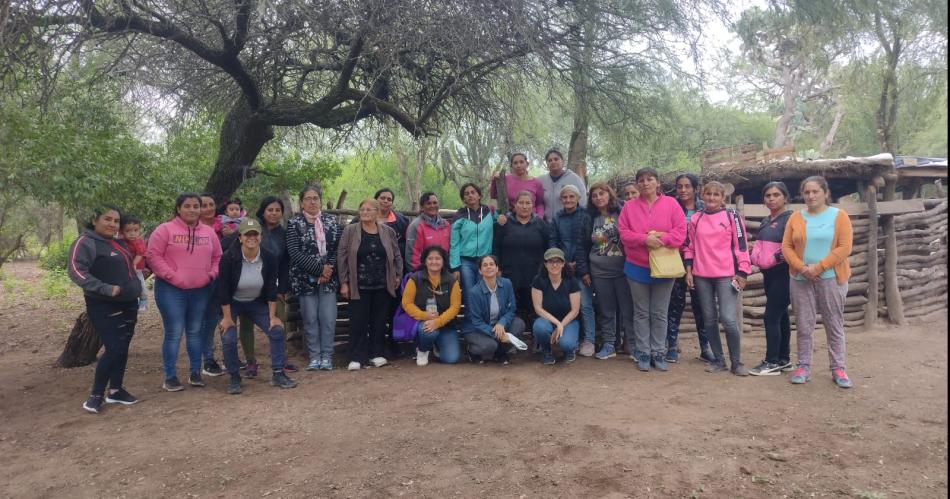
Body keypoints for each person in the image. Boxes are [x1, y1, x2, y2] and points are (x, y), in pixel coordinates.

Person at [68, 206, 143, 413]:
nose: (112, 224)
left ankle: (116, 390)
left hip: (129, 303)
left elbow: (128, 269)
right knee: (114, 348)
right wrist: (106, 289)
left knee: (123, 346)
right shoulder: (85, 242)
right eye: (107, 219)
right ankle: (96, 395)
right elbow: (76, 271)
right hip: (103, 304)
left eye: (116, 221)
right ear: (94, 220)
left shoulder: (119, 243)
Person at [782, 176, 854, 388]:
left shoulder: (839, 216)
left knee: (834, 323)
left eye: (815, 191)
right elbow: (786, 247)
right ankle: (803, 365)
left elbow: (844, 247)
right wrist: (802, 268)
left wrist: (819, 267)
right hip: (800, 278)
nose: (811, 196)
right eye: (807, 192)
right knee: (804, 324)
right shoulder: (795, 217)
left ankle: (838, 368)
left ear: (826, 193)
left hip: (831, 278)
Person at [147, 192, 222, 391]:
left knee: (196, 332)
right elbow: (153, 255)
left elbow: (218, 257)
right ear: (178, 209)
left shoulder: (208, 232)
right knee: (174, 332)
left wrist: (211, 275)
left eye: (195, 206)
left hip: (200, 290)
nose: (192, 210)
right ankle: (170, 377)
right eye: (187, 206)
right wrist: (172, 276)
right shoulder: (165, 230)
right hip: (171, 290)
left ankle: (195, 373)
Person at [217, 219, 298, 394]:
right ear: (240, 237)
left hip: (256, 301)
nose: (251, 238)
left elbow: (270, 287)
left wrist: (272, 316)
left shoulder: (268, 257)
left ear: (261, 237)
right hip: (232, 302)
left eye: (255, 234)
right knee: (229, 336)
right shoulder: (229, 258)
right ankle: (234, 376)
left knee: (276, 329)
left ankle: (278, 373)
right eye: (247, 234)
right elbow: (222, 289)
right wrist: (226, 318)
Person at [618, 168, 686, 372]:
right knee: (641, 312)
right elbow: (623, 233)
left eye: (650, 179)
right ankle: (643, 353)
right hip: (637, 267)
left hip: (665, 267)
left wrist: (659, 240)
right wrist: (643, 239)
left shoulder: (671, 204)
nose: (645, 183)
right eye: (641, 180)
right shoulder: (629, 207)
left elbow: (681, 233)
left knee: (659, 312)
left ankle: (658, 352)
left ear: (657, 183)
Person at [684, 181, 752, 376]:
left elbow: (741, 245)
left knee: (728, 319)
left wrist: (743, 271)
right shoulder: (696, 218)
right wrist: (689, 271)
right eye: (708, 194)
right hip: (701, 275)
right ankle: (719, 360)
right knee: (709, 319)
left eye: (716, 195)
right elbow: (689, 247)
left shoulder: (732, 216)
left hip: (726, 275)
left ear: (723, 198)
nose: (712, 198)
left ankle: (736, 362)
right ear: (702, 196)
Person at [338, 199, 404, 370]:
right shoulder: (350, 231)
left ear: (376, 212)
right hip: (358, 285)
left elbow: (396, 255)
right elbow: (342, 257)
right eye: (362, 209)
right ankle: (356, 357)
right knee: (358, 321)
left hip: (382, 284)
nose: (365, 212)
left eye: (369, 209)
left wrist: (397, 275)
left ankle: (377, 354)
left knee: (379, 321)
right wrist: (344, 282)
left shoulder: (387, 231)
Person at [239, 196, 297, 375]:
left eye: (277, 210)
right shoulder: (252, 229)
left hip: (274, 286)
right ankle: (250, 361)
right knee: (246, 323)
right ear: (263, 211)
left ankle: (281, 359)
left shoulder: (284, 233)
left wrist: (282, 289)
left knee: (279, 321)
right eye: (270, 210)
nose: (273, 213)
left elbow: (286, 263)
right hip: (248, 285)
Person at [287, 186, 342, 371]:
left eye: (316, 198)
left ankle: (327, 356)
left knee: (328, 318)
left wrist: (328, 270)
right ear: (301, 202)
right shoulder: (294, 223)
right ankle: (314, 356)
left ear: (320, 200)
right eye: (308, 198)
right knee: (310, 318)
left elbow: (337, 249)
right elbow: (294, 252)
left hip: (329, 279)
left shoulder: (331, 221)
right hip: (305, 279)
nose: (312, 202)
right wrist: (319, 270)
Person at [577, 182, 634, 360]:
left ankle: (633, 344)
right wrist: (584, 271)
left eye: (602, 194)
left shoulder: (622, 211)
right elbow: (581, 246)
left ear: (609, 194)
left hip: (623, 270)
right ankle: (609, 344)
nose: (599, 198)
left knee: (628, 309)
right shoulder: (588, 217)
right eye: (594, 196)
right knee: (606, 310)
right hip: (599, 271)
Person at [666, 174, 715, 364]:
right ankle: (671, 346)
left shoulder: (705, 208)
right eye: (679, 186)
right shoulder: (671, 206)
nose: (683, 190)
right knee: (675, 304)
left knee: (701, 305)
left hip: (700, 261)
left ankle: (705, 347)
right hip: (675, 260)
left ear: (695, 188)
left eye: (687, 186)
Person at [749, 181, 794, 376]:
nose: (772, 199)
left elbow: (795, 245)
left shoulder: (791, 219)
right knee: (781, 315)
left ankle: (772, 361)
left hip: (784, 273)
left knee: (771, 316)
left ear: (785, 197)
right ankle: (784, 359)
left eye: (776, 195)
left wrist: (776, 257)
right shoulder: (766, 220)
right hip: (769, 275)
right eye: (768, 196)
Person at [549, 184, 596, 357]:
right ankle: (571, 339)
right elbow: (553, 241)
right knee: (567, 306)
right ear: (561, 200)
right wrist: (561, 262)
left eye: (571, 197)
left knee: (585, 305)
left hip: (582, 269)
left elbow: (585, 243)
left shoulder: (585, 216)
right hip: (561, 268)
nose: (568, 200)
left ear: (578, 198)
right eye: (565, 197)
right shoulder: (557, 218)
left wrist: (580, 266)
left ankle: (589, 339)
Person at [492, 191, 550, 326]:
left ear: (533, 205)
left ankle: (536, 340)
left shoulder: (541, 225)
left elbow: (549, 249)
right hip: (509, 276)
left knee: (534, 311)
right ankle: (513, 340)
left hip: (535, 276)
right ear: (514, 205)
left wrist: (546, 269)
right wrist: (497, 268)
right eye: (521, 203)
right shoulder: (504, 224)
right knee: (512, 312)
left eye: (528, 203)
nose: (524, 206)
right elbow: (496, 247)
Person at [401, 246, 463, 365]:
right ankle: (423, 349)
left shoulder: (451, 280)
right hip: (422, 322)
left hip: (445, 324)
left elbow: (455, 307)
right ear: (425, 261)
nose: (434, 261)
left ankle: (436, 345)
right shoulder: (415, 278)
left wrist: (438, 321)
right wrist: (424, 316)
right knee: (428, 331)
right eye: (430, 258)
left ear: (443, 261)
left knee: (451, 358)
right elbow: (406, 303)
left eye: (437, 258)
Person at [461, 255, 527, 364]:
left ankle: (500, 352)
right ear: (480, 271)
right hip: (476, 329)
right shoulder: (474, 292)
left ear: (497, 269)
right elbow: (476, 321)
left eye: (492, 264)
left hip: (497, 325)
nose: (488, 267)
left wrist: (502, 323)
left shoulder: (507, 284)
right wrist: (498, 335)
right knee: (490, 345)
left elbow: (512, 309)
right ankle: (472, 351)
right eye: (485, 265)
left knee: (519, 324)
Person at [531, 248, 582, 365]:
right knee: (540, 327)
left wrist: (561, 325)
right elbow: (538, 308)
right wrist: (557, 324)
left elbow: (575, 310)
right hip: (546, 320)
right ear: (545, 264)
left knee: (566, 344)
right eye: (550, 261)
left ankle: (569, 350)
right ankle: (546, 350)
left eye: (558, 261)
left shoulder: (572, 281)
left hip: (568, 321)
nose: (554, 265)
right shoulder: (538, 280)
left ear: (563, 263)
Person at [196, 193, 225, 377]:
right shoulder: (193, 229)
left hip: (223, 279)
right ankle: (207, 358)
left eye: (211, 204)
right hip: (202, 280)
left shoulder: (224, 226)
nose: (208, 208)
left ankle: (229, 355)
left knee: (224, 317)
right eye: (204, 205)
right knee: (208, 320)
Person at [450, 183, 496, 294]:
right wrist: (455, 267)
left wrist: (502, 218)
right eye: (466, 194)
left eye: (473, 192)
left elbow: (501, 219)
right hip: (466, 261)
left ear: (479, 195)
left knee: (485, 291)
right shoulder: (459, 216)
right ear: (463, 199)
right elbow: (454, 243)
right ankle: (471, 312)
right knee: (469, 292)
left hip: (485, 261)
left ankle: (485, 312)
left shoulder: (489, 211)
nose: (470, 195)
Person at [490, 152, 545, 217]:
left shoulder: (536, 183)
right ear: (511, 166)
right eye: (515, 163)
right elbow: (493, 195)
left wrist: (539, 218)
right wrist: (495, 180)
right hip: (511, 219)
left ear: (527, 164)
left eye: (521, 162)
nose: (518, 165)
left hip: (532, 220)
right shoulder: (505, 179)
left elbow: (539, 204)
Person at [539, 149, 587, 221]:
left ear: (563, 161)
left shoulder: (574, 179)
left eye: (556, 159)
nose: (553, 162)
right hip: (547, 224)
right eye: (550, 160)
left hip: (568, 223)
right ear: (547, 164)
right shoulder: (541, 180)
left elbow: (582, 202)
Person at [409, 192, 451, 271]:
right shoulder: (415, 226)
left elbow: (450, 249)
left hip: (444, 271)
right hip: (425, 273)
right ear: (422, 207)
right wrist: (417, 274)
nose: (432, 206)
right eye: (428, 203)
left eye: (435, 203)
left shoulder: (446, 225)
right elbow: (412, 254)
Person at [118, 214, 149, 311]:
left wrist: (134, 264)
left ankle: (143, 300)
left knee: (140, 282)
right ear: (122, 231)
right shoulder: (121, 240)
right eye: (128, 231)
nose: (132, 234)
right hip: (125, 267)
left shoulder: (138, 241)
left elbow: (140, 253)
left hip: (136, 268)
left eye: (136, 230)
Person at [375, 188, 410, 261]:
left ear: (392, 203)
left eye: (389, 199)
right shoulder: (364, 218)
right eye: (382, 198)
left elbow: (408, 243)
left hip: (394, 262)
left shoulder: (401, 221)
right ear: (375, 200)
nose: (385, 201)